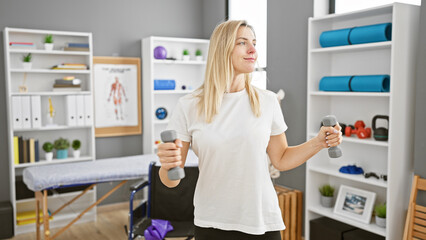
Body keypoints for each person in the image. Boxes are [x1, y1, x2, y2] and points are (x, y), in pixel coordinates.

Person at [157, 20, 342, 240]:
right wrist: (167, 165)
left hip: (261, 219)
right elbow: (171, 179)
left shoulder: (267, 101)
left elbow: (281, 159)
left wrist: (318, 142)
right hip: (212, 220)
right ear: (222, 48)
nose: (253, 50)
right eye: (242, 43)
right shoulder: (189, 105)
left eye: (254, 43)